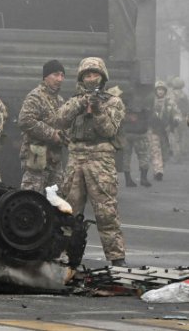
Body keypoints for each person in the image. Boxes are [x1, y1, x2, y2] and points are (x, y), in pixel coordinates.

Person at [54, 57, 127, 267]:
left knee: (106, 211)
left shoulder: (113, 102)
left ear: (103, 77)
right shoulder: (74, 100)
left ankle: (116, 258)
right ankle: (66, 256)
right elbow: (59, 120)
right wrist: (80, 103)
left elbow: (109, 130)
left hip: (100, 158)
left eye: (95, 74)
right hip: (76, 158)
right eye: (87, 75)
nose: (91, 78)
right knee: (69, 211)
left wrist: (97, 110)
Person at [17, 59, 67, 193]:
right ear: (46, 77)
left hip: (54, 159)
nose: (60, 79)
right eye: (56, 75)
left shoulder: (60, 100)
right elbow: (25, 120)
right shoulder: (36, 96)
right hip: (37, 157)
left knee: (56, 201)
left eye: (62, 75)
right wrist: (52, 134)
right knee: (32, 198)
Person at [147, 80, 181, 181]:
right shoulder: (151, 101)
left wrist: (176, 119)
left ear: (165, 91)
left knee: (165, 153)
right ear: (155, 91)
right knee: (155, 150)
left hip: (166, 131)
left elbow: (176, 113)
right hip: (154, 129)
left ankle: (160, 167)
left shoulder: (169, 102)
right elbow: (145, 113)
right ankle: (158, 171)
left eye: (162, 90)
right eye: (158, 90)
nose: (160, 92)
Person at [121, 88, 152, 187]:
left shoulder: (122, 100)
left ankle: (128, 180)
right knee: (143, 155)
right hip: (140, 133)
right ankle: (143, 179)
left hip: (126, 133)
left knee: (126, 156)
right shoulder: (145, 99)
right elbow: (149, 116)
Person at [168, 77, 189, 162]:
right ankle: (185, 154)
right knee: (184, 137)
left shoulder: (171, 94)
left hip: (175, 118)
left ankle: (177, 156)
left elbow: (170, 108)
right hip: (184, 118)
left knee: (174, 137)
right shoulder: (184, 95)